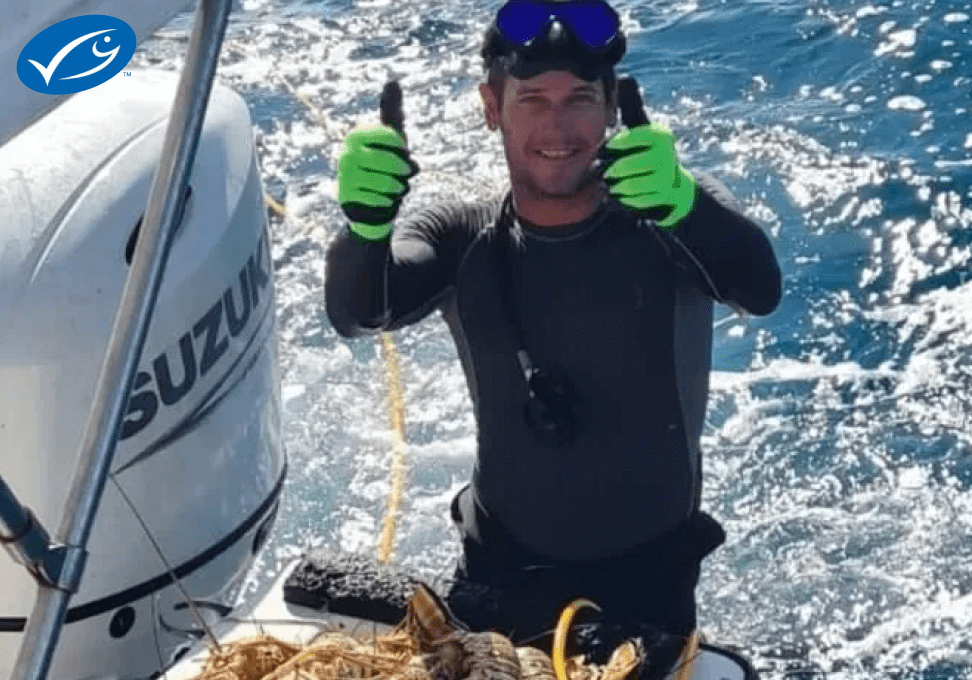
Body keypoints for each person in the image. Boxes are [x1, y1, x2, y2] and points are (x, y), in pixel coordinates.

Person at [325, 0, 782, 650]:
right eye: (533, 99)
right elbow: (359, 310)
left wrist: (681, 203)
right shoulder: (461, 234)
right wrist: (366, 228)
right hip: (496, 579)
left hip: (650, 588)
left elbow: (758, 286)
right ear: (491, 106)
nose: (558, 125)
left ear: (613, 106)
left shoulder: (676, 215)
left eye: (581, 99)